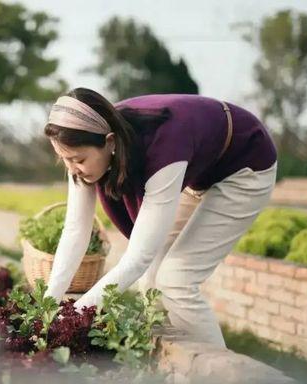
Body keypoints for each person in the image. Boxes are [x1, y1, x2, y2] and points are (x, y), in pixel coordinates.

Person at [42, 87, 277, 347]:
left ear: (109, 142)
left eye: (78, 159)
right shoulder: (86, 146)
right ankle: (173, 365)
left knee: (177, 281)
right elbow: (76, 229)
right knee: (151, 280)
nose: (72, 169)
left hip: (244, 166)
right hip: (198, 168)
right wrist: (49, 306)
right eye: (64, 160)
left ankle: (217, 371)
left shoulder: (163, 145)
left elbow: (138, 257)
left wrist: (74, 316)